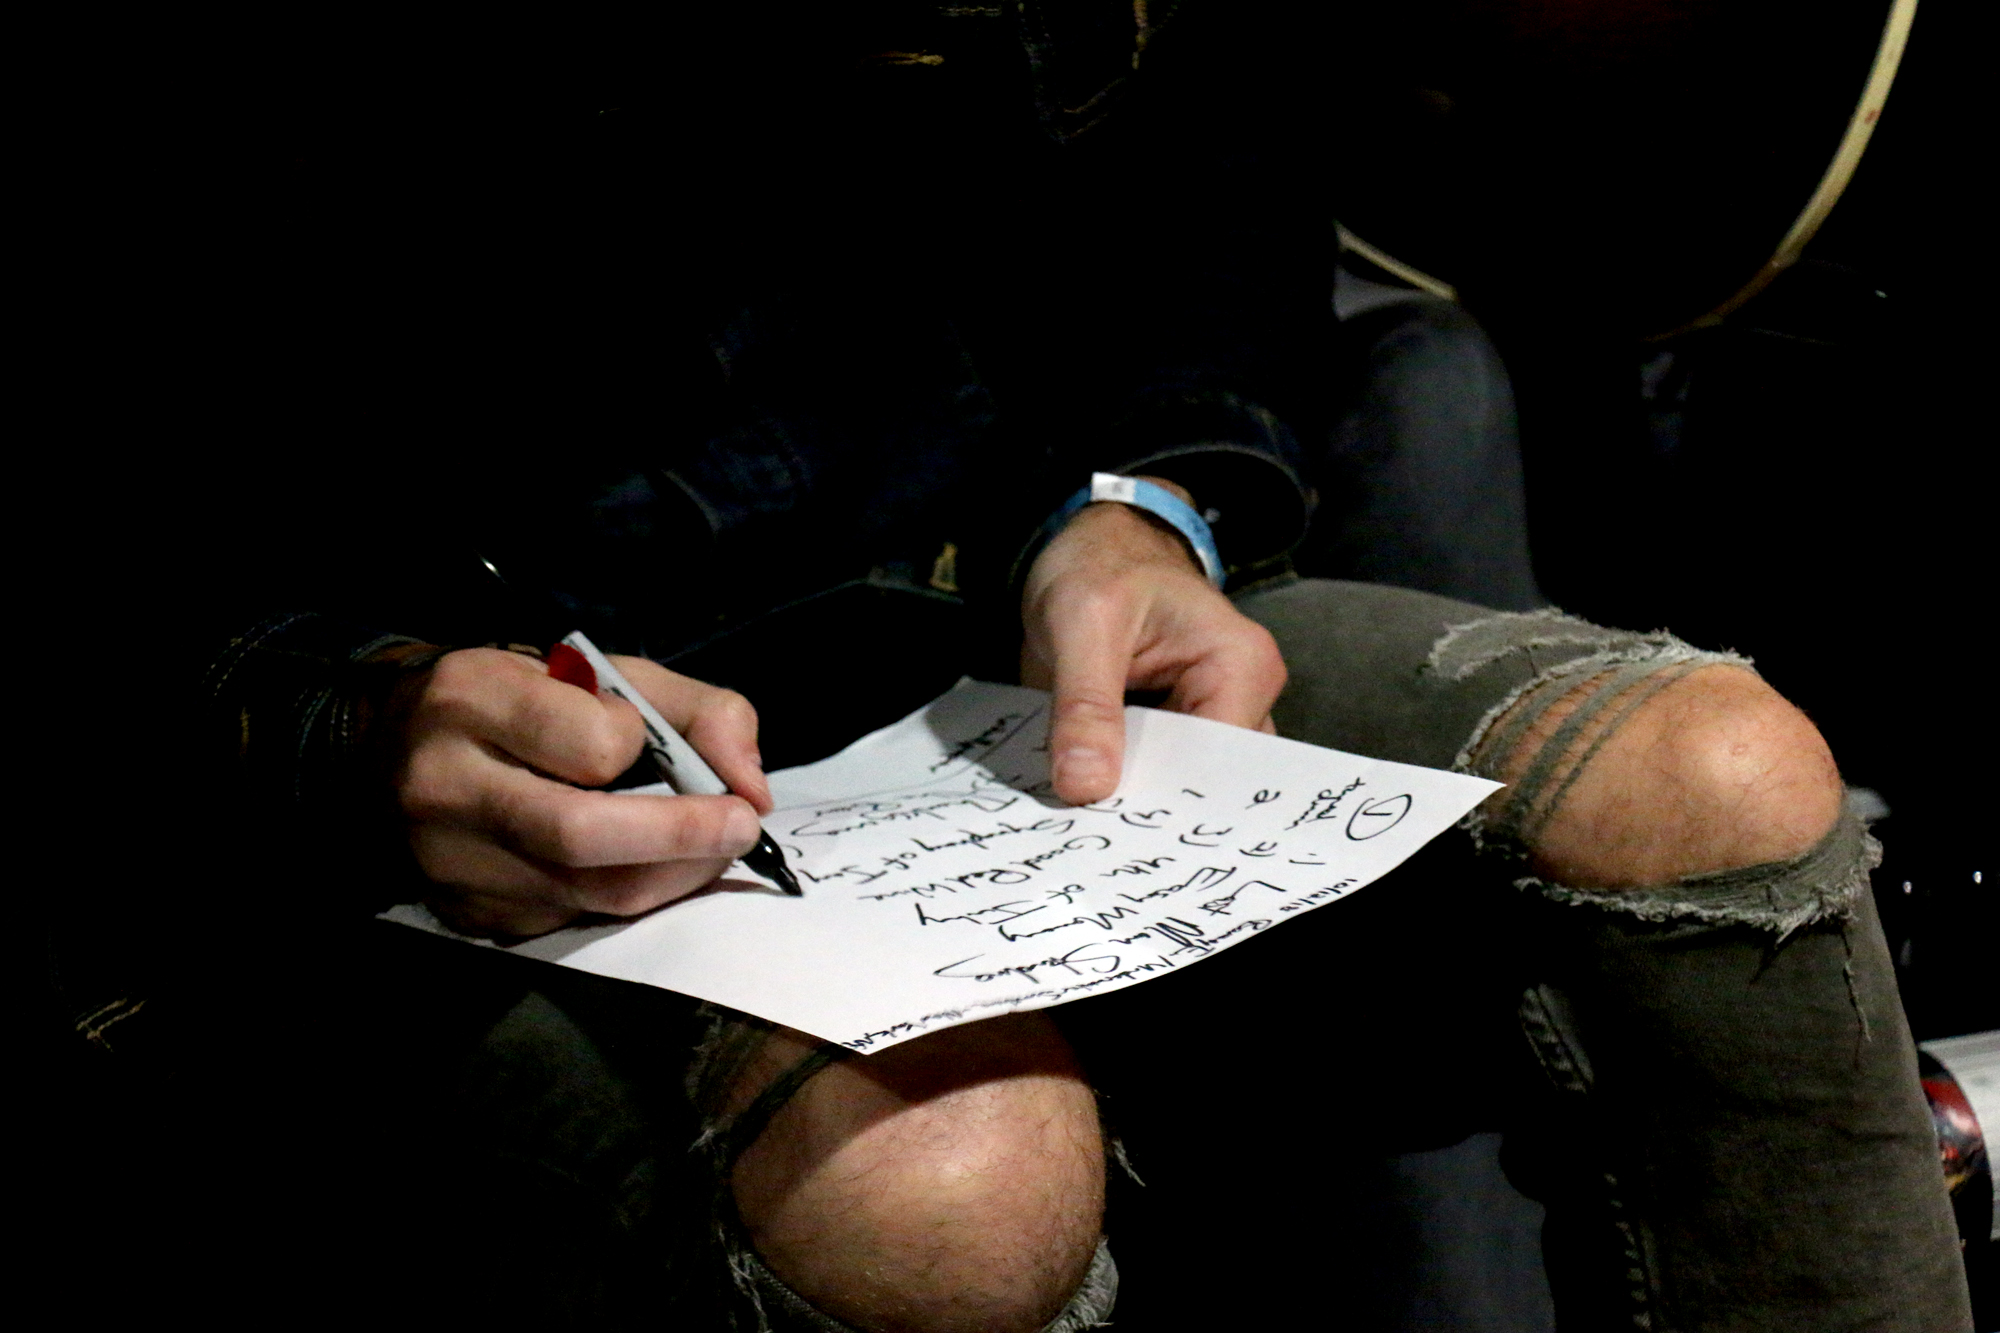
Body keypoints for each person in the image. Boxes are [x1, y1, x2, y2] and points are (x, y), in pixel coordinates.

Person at [43, 4, 1970, 1330]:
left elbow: (1202, 152)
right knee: (952, 1181)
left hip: (970, 614)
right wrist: (347, 713)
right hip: (457, 753)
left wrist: (1149, 495)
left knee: (1725, 776)